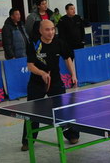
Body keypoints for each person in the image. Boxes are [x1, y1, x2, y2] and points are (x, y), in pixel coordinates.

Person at [22, 20, 79, 151]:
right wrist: (42, 73)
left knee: (62, 110)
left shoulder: (59, 42)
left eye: (53, 29)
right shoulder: (34, 45)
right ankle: (28, 141)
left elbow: (67, 58)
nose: (51, 32)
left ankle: (72, 135)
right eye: (47, 29)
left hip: (55, 82)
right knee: (32, 112)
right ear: (40, 31)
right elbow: (30, 66)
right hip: (37, 83)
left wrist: (73, 74)